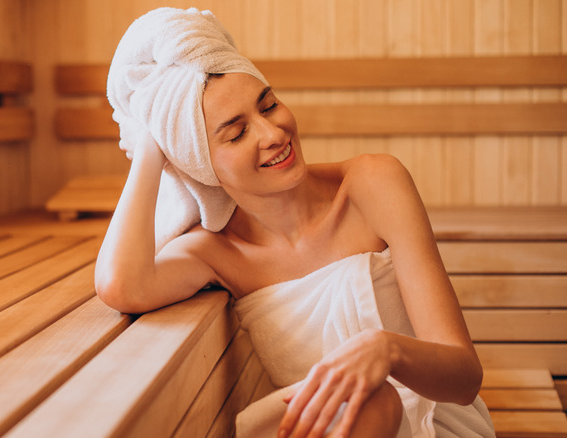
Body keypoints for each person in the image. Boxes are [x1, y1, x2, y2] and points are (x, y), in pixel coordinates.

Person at [95, 7, 495, 438]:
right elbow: (121, 285)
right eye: (236, 133)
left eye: (269, 105)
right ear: (201, 165)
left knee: (377, 395)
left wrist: (386, 349)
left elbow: (465, 377)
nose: (273, 133)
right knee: (367, 400)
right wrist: (152, 148)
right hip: (329, 426)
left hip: (436, 423)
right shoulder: (218, 252)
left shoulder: (372, 184)